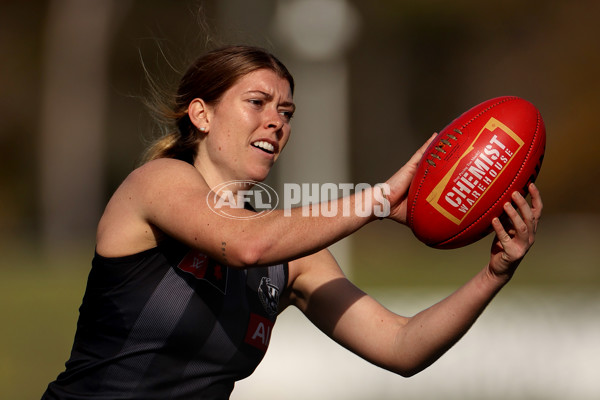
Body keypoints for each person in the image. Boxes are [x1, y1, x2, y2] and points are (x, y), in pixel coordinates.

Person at [42, 45, 543, 400]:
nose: (277, 121)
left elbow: (400, 346)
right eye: (257, 103)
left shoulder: (294, 258)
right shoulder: (158, 182)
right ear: (201, 115)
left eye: (287, 110)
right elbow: (245, 244)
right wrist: (380, 198)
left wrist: (493, 275)